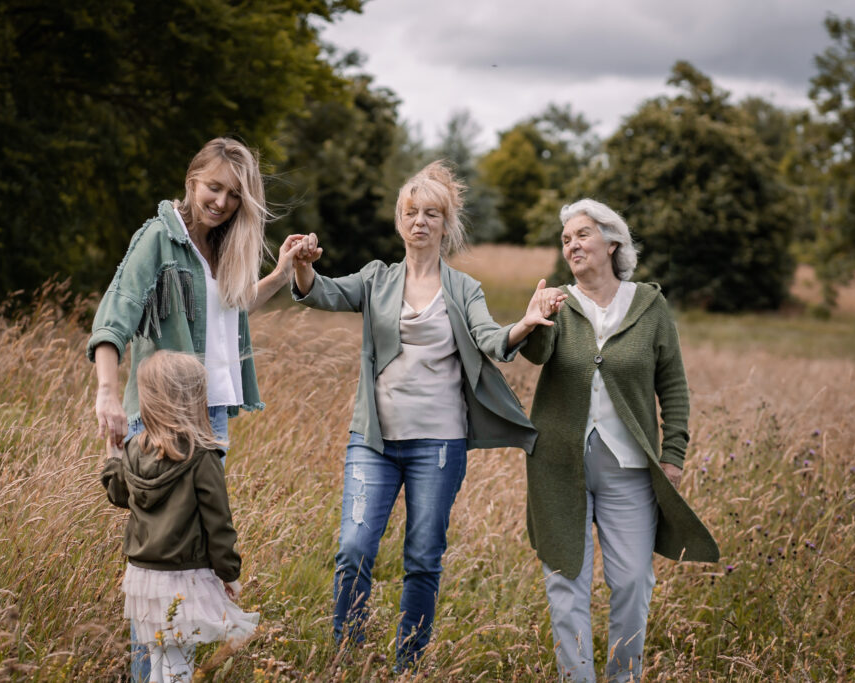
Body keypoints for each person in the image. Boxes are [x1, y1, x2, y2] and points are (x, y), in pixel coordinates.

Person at [290, 161, 549, 670]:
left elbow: (492, 340)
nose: (420, 222)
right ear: (399, 221)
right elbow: (320, 292)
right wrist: (302, 264)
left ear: (446, 225)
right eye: (411, 213)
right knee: (354, 549)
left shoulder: (464, 288)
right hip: (374, 442)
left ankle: (407, 666)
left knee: (423, 560)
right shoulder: (376, 279)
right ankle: (347, 659)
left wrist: (526, 322)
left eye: (432, 214)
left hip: (439, 444)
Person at [87, 137, 301, 679]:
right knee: (159, 558)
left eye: (234, 195)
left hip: (214, 413)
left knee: (192, 555)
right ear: (191, 181)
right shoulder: (159, 238)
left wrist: (281, 273)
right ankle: (147, 673)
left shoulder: (221, 243)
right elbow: (116, 313)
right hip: (165, 414)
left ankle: (168, 670)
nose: (222, 202)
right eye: (214, 188)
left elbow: (231, 303)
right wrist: (107, 391)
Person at [520, 199, 720, 682]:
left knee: (632, 581)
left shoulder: (650, 306)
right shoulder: (559, 303)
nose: (572, 245)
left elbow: (673, 384)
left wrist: (673, 456)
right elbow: (537, 353)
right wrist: (534, 319)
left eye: (582, 234)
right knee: (567, 582)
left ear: (612, 242)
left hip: (629, 467)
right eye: (566, 239)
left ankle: (622, 676)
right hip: (558, 467)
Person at [101, 350, 258, 683]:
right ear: (195, 400)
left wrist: (112, 454)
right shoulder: (203, 458)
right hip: (185, 577)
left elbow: (118, 495)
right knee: (178, 667)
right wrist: (229, 573)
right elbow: (219, 525)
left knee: (159, 658)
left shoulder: (134, 450)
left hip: (143, 577)